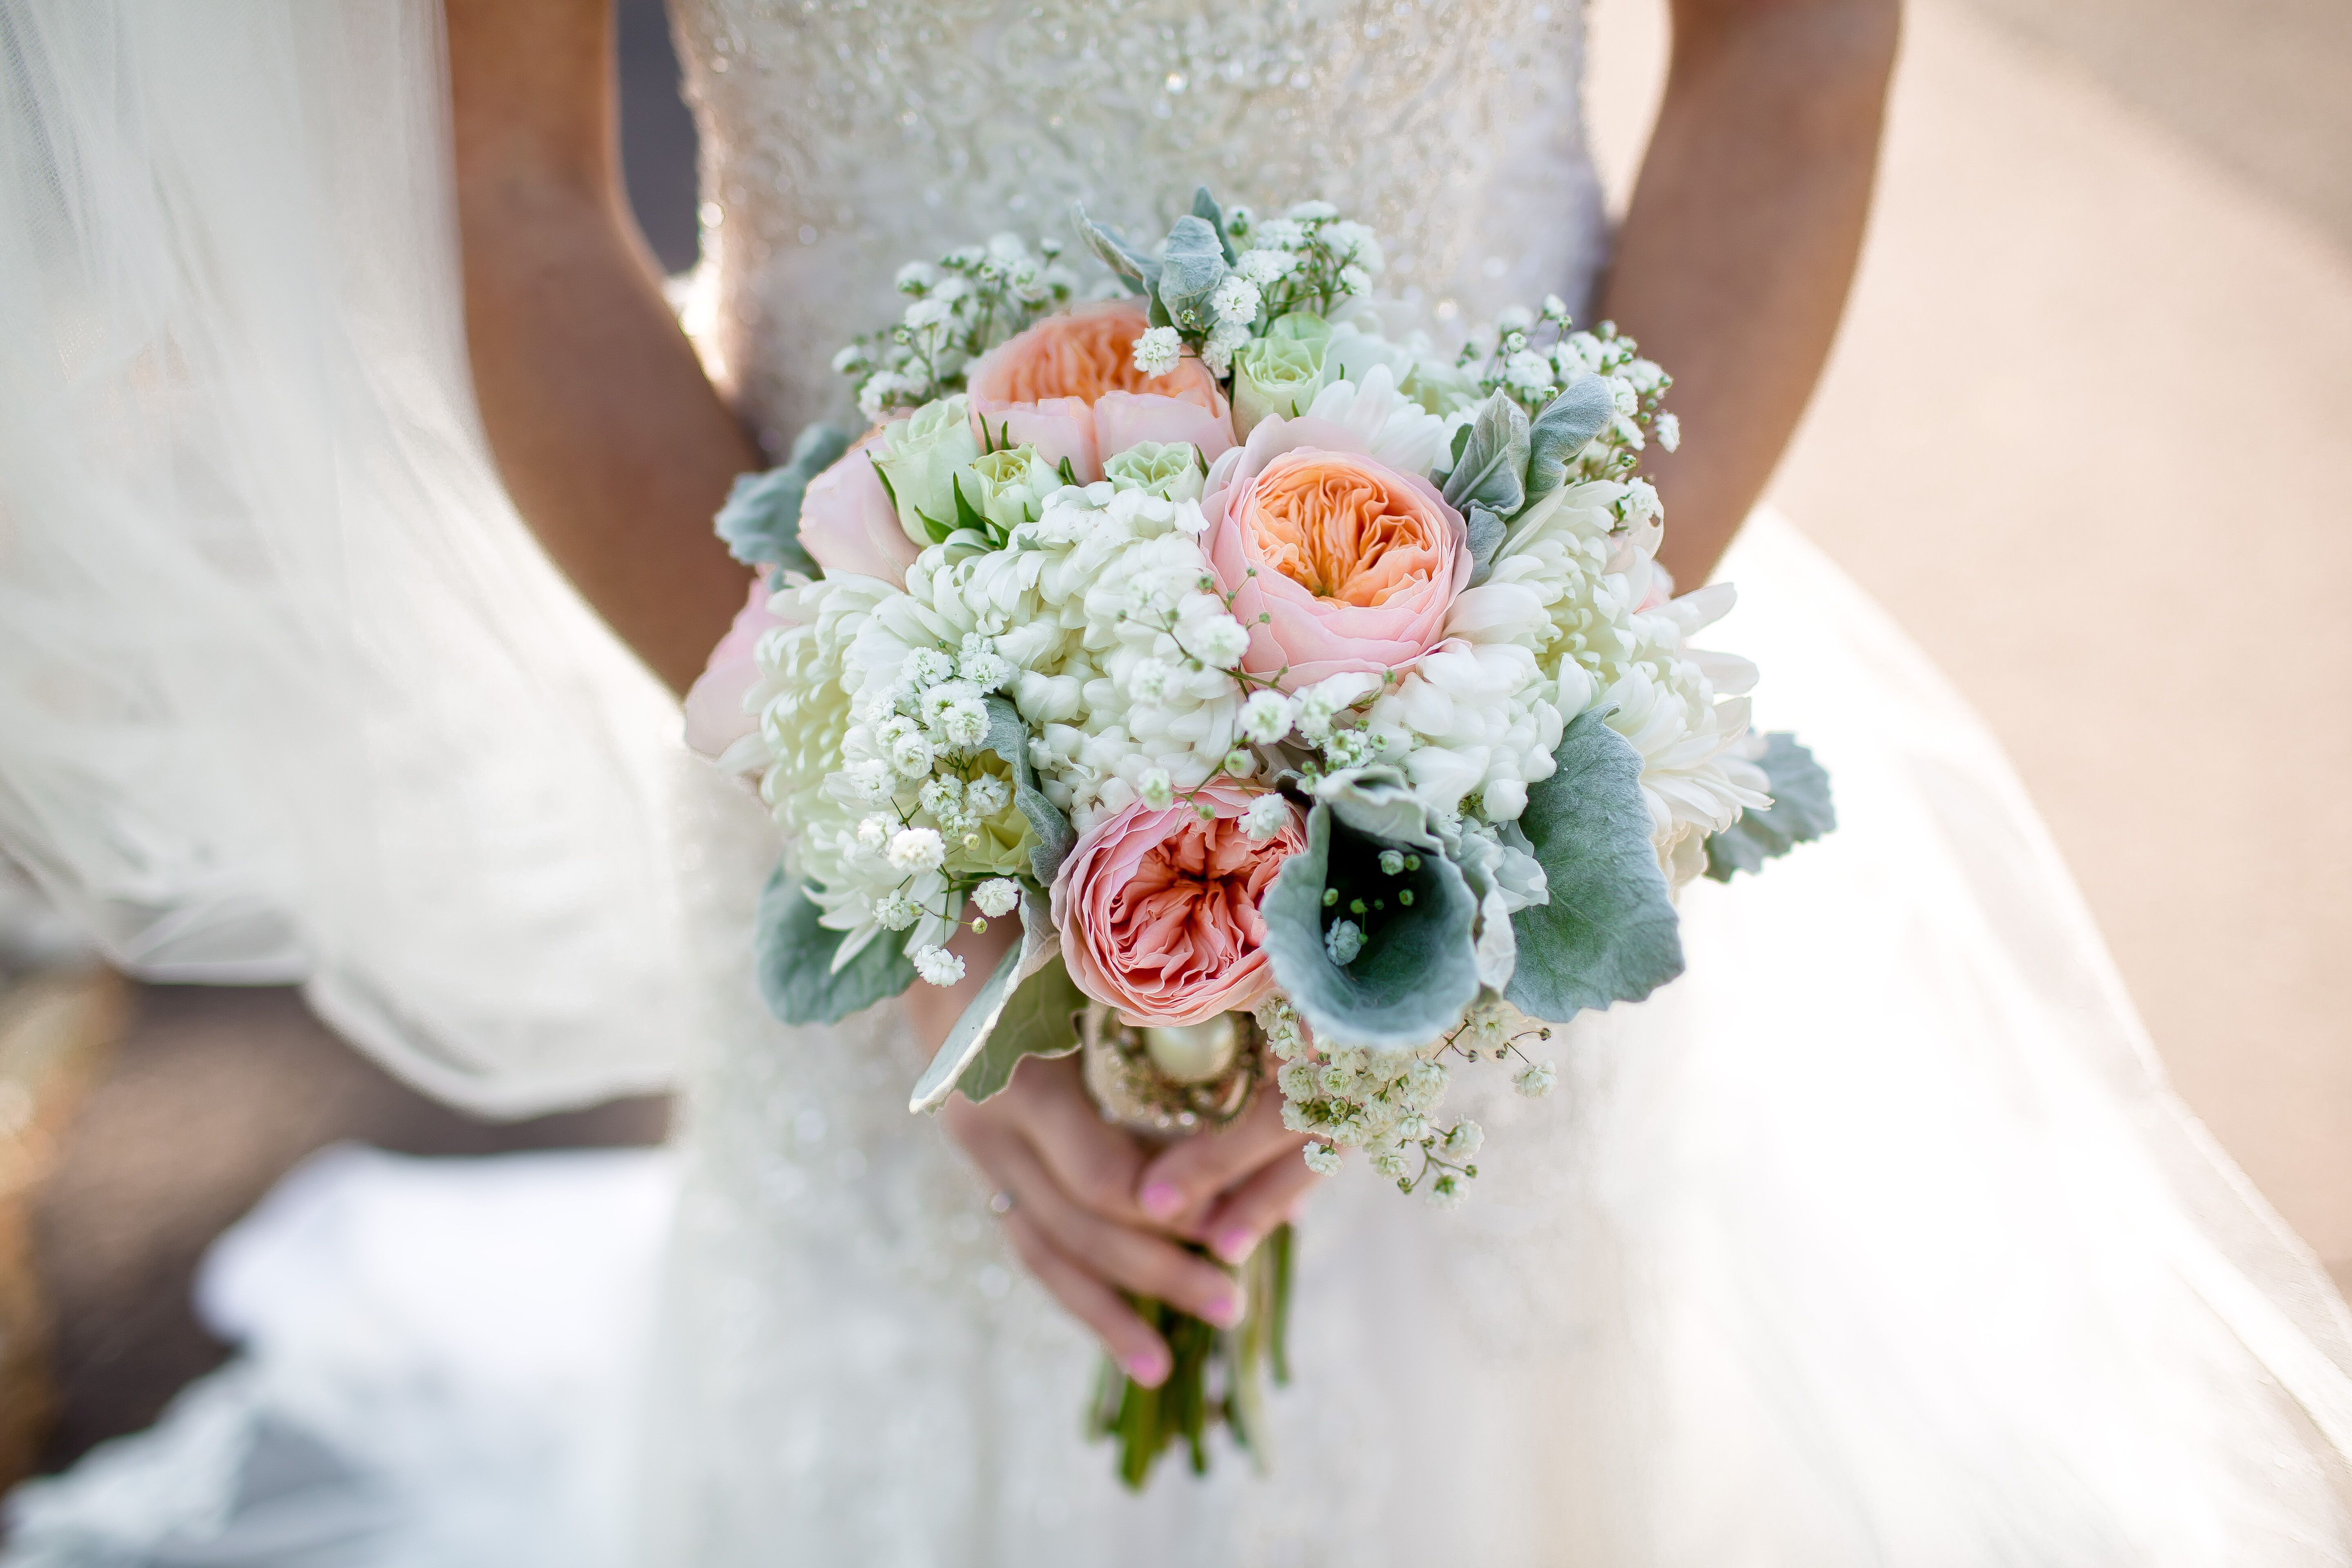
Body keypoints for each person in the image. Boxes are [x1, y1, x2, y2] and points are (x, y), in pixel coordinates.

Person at [6, 0, 2352, 1563]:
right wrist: (909, 873)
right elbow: (517, 204)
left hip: (1502, 697)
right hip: (848, 733)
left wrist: (1494, 746)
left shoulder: (1501, 733)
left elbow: (1793, 84)